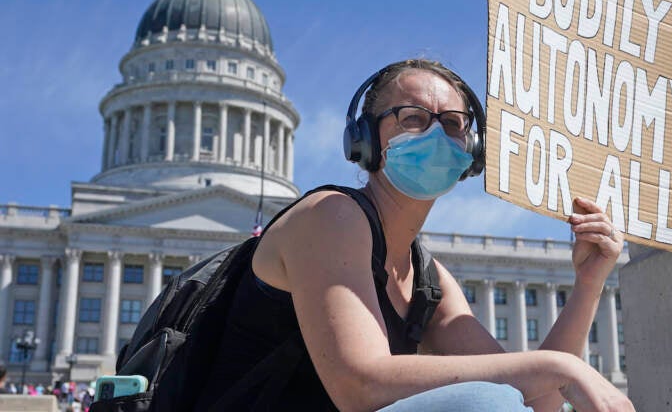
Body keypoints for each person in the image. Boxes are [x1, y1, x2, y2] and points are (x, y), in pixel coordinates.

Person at [196, 59, 634, 411]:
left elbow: (537, 400)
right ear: (365, 140)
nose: (434, 134)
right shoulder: (330, 215)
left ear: (471, 151)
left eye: (452, 123)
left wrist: (588, 284)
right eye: (413, 118)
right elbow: (360, 384)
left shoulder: (430, 279)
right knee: (483, 402)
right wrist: (558, 367)